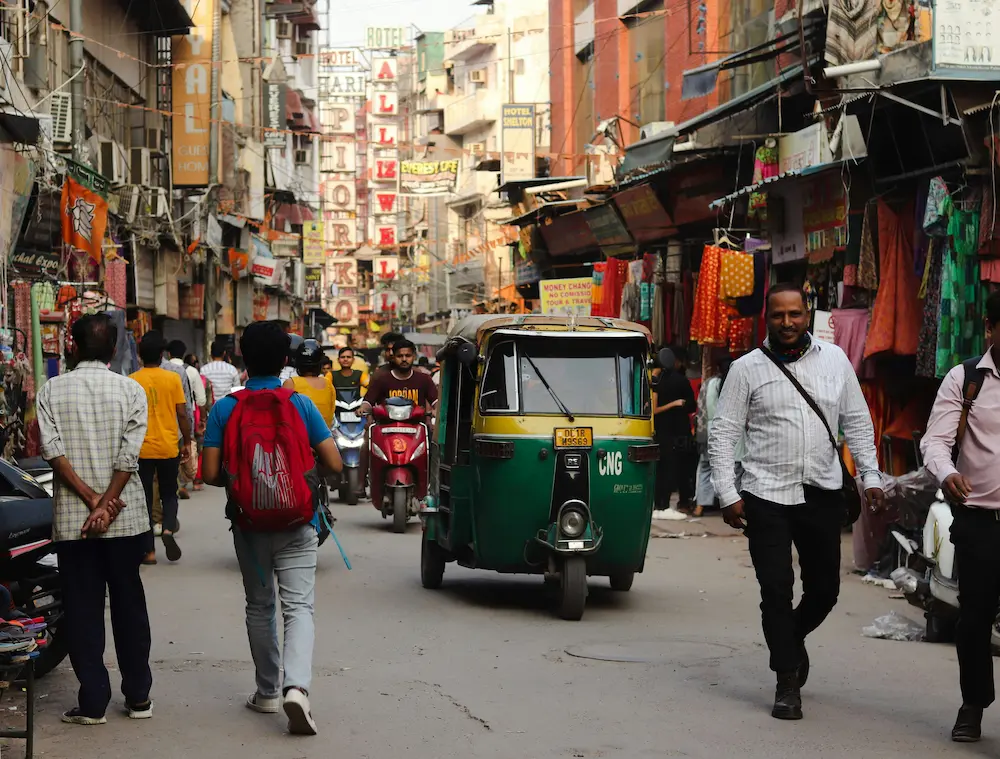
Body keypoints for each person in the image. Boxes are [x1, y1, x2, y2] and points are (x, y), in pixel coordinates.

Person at [708, 283, 885, 721]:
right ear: (766, 318)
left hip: (822, 493)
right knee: (775, 590)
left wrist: (871, 477)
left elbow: (858, 423)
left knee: (825, 591)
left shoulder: (835, 360)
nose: (787, 323)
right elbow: (723, 431)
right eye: (778, 315)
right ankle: (787, 681)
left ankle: (791, 637)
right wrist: (727, 493)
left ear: (807, 315)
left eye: (794, 314)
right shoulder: (746, 369)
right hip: (765, 493)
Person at [201, 321, 343, 736]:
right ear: (285, 361)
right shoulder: (300, 404)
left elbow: (209, 473)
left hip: (249, 525)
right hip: (298, 522)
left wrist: (246, 481)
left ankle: (266, 692)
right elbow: (335, 464)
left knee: (260, 606)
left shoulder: (225, 408)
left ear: (242, 359)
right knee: (298, 607)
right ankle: (296, 687)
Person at [35, 313, 154, 725]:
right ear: (114, 349)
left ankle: (93, 702)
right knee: (129, 605)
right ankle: (139, 697)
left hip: (75, 522)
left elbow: (52, 451)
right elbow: (129, 454)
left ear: (72, 345)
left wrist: (91, 501)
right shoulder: (131, 389)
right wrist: (107, 503)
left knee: (83, 609)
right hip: (125, 519)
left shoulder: (51, 390)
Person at [920, 290, 1000, 744]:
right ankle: (973, 704)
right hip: (980, 521)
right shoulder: (966, 378)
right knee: (973, 620)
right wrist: (947, 472)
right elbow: (935, 440)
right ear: (990, 328)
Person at [131, 334, 192, 565]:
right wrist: (187, 441)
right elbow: (182, 414)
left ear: (139, 355)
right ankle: (167, 529)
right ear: (161, 355)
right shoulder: (172, 378)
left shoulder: (132, 380)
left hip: (142, 448)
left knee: (145, 499)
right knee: (169, 492)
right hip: (168, 445)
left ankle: (149, 552)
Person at [651, 346, 696, 519]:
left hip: (660, 431)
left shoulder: (654, 381)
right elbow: (691, 405)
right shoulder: (681, 381)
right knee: (676, 469)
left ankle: (659, 504)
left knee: (661, 469)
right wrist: (677, 403)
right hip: (678, 432)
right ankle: (671, 504)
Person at [692, 355, 735, 516]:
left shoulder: (708, 384)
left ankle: (700, 506)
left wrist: (700, 434)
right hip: (734, 434)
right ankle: (730, 505)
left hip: (710, 431)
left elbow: (701, 410)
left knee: (706, 468)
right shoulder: (735, 384)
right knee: (734, 471)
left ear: (717, 368)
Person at [168, 340, 207, 499]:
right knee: (187, 447)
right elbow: (201, 399)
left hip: (166, 416)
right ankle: (185, 481)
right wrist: (202, 419)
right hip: (186, 416)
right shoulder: (191, 371)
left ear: (168, 353)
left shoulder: (162, 369)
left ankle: (176, 482)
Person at [361, 339, 438, 415]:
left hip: (418, 422)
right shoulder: (381, 380)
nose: (404, 359)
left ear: (414, 357)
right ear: (394, 357)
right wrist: (363, 408)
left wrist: (436, 410)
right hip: (387, 422)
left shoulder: (424, 379)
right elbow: (368, 402)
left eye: (408, 356)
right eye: (400, 356)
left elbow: (436, 401)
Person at [284, 339, 336, 428]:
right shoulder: (328, 383)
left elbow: (283, 415)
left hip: (299, 436)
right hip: (324, 435)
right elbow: (331, 414)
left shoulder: (290, 383)